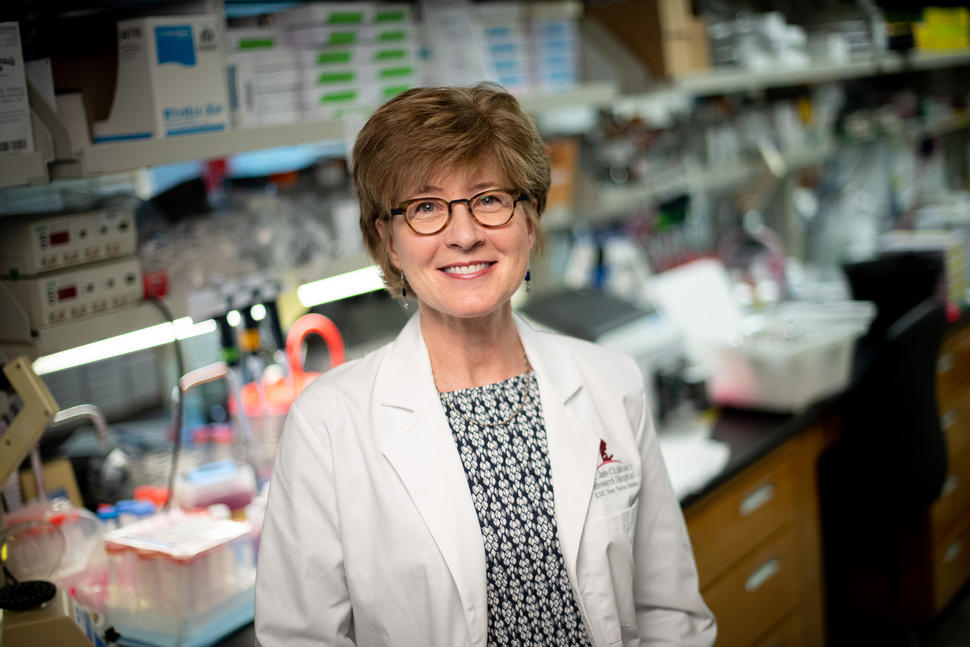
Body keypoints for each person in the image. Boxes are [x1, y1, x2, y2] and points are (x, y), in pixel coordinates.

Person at [254, 83, 716, 647]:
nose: (465, 234)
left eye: (490, 199)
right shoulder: (328, 425)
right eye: (425, 208)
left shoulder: (611, 384)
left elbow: (670, 614)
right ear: (390, 241)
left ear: (529, 219)